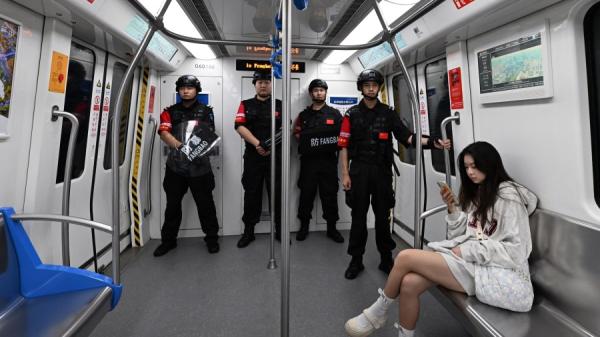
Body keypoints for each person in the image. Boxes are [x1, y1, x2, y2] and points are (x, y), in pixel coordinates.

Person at [344, 141, 538, 337]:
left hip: (500, 274)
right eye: (466, 167)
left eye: (475, 166)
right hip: (475, 263)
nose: (470, 172)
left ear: (490, 164)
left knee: (405, 257)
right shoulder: (479, 191)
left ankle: (378, 312)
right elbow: (467, 235)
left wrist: (466, 251)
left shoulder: (508, 197)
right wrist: (453, 209)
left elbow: (517, 250)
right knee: (409, 284)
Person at [339, 69, 451, 280]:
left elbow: (407, 138)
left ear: (378, 87)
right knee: (358, 218)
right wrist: (345, 174)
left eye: (374, 85)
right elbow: (343, 146)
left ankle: (386, 258)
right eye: (367, 85)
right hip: (359, 171)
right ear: (361, 88)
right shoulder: (351, 115)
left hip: (382, 171)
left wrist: (434, 143)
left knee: (382, 217)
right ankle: (356, 260)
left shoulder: (388, 113)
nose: (371, 88)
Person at [154, 75, 220, 256]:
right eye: (182, 87)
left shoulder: (206, 111)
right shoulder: (169, 111)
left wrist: (193, 151)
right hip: (176, 166)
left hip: (200, 166)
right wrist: (181, 147)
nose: (185, 90)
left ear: (196, 90)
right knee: (172, 205)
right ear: (178, 90)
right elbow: (163, 132)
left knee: (205, 204)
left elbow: (208, 133)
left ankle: (212, 239)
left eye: (190, 87)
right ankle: (168, 241)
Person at [235, 70, 282, 248]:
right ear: (254, 84)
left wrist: (269, 146)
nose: (263, 85)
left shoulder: (280, 105)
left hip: (275, 157)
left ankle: (279, 231)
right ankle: (249, 232)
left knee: (277, 194)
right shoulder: (245, 105)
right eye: (260, 82)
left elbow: (287, 128)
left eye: (267, 82)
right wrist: (258, 144)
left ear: (272, 84)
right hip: (253, 157)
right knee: (252, 193)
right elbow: (239, 126)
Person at [293, 79, 344, 243]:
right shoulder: (303, 115)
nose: (319, 93)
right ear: (311, 94)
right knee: (306, 195)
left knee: (330, 195)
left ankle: (332, 229)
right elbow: (296, 133)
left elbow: (343, 136)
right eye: (315, 90)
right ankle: (304, 227)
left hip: (328, 163)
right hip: (309, 162)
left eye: (321, 90)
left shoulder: (335, 114)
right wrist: (305, 141)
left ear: (325, 93)